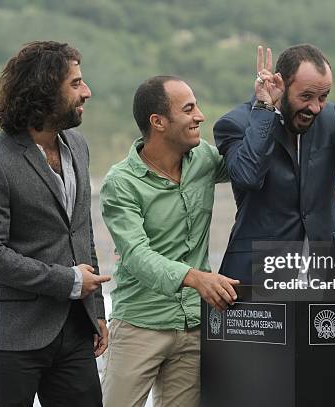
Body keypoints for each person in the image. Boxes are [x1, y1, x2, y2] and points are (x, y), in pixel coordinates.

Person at [0, 41, 110, 407]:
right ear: (44, 89)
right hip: (10, 335)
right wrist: (70, 281)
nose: (87, 91)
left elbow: (81, 233)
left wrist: (96, 313)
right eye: (76, 83)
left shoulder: (78, 146)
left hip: (75, 328)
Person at [99, 75, 240, 407]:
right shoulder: (121, 183)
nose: (200, 116)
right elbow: (135, 255)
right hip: (138, 324)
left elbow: (249, 166)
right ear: (158, 122)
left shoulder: (204, 158)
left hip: (193, 326)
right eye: (189, 108)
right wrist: (194, 278)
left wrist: (264, 104)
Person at [214, 41, 335, 283]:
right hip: (257, 279)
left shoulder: (328, 119)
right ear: (281, 84)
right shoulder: (236, 123)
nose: (316, 107)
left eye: (323, 97)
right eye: (306, 96)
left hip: (323, 279)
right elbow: (247, 177)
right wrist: (266, 109)